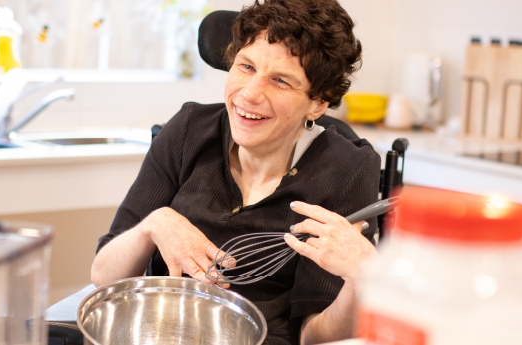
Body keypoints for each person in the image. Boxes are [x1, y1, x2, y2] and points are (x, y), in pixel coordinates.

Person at [91, 0, 380, 344]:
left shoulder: (345, 170)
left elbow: (314, 336)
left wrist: (362, 280)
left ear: (319, 101)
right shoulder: (188, 131)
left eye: (280, 81)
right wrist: (153, 225)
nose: (250, 93)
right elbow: (103, 277)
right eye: (245, 66)